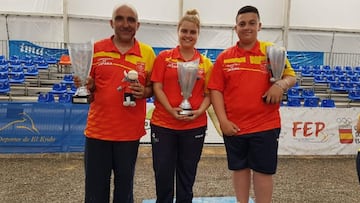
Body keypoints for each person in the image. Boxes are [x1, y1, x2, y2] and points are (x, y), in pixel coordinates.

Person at [207, 5, 296, 203]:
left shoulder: (272, 52)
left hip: (266, 125)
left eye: (251, 23)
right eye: (242, 24)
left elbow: (291, 77)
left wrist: (280, 85)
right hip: (235, 127)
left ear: (259, 26)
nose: (247, 27)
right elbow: (215, 90)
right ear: (235, 28)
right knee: (239, 169)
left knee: (263, 172)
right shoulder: (224, 58)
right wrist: (223, 121)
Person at [74, 3, 155, 203]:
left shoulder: (147, 53)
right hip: (98, 133)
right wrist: (89, 86)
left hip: (129, 135)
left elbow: (153, 89)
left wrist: (144, 91)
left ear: (138, 25)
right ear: (111, 23)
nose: (125, 24)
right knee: (95, 191)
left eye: (131, 20)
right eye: (120, 18)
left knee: (124, 191)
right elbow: (90, 93)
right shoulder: (96, 50)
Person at [150, 9, 213, 203]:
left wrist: (199, 112)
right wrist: (171, 109)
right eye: (184, 31)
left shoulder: (205, 63)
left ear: (198, 34)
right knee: (163, 174)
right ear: (178, 31)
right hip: (164, 125)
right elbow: (157, 87)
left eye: (192, 32)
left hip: (194, 126)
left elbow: (209, 94)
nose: (188, 35)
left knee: (187, 175)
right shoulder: (163, 58)